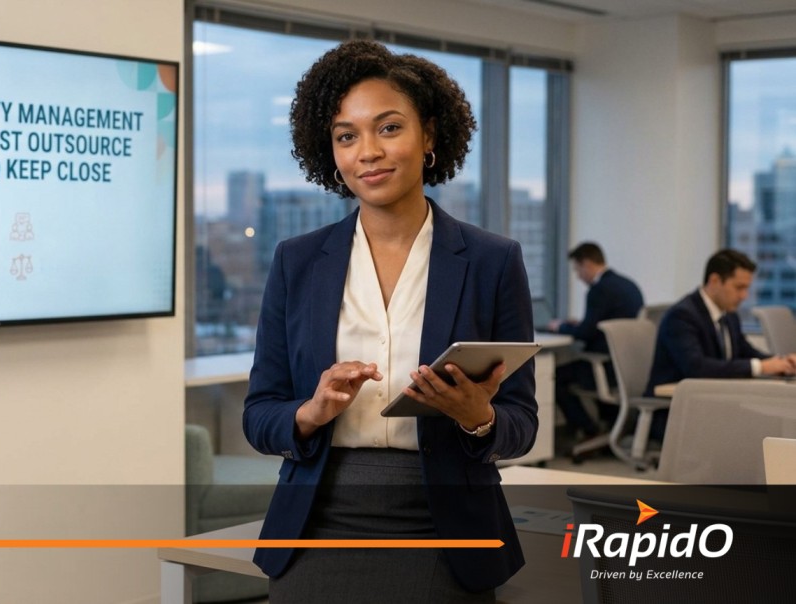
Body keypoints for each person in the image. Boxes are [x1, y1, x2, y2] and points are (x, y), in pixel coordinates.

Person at [242, 40, 537, 602]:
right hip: (316, 524)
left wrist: (478, 419)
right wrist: (311, 412)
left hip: (447, 528)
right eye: (346, 136)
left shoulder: (493, 261)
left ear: (429, 136)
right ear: (330, 153)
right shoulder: (296, 262)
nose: (368, 152)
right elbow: (259, 416)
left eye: (389, 128)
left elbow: (521, 422)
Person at [646, 249, 796, 439]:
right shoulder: (682, 316)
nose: (744, 296)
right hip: (675, 414)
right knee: (762, 429)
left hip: (710, 407)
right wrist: (761, 366)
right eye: (739, 287)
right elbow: (697, 368)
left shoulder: (728, 314)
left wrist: (781, 363)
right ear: (715, 281)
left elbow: (745, 351)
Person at [547, 242, 644, 443]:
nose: (578, 276)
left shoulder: (599, 290)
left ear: (587, 264)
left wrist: (560, 327)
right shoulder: (629, 285)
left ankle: (589, 429)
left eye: (577, 270)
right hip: (630, 368)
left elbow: (585, 333)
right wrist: (581, 324)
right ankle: (610, 426)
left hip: (606, 368)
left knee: (554, 377)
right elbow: (605, 324)